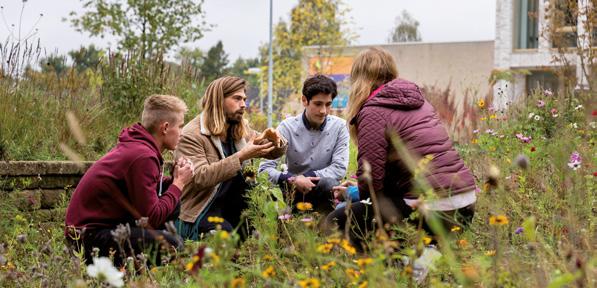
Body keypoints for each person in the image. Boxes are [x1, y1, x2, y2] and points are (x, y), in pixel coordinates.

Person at [325, 47, 477, 246]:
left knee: (335, 221)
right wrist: (355, 191)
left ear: (359, 79)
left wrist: (355, 195)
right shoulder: (421, 103)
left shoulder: (373, 111)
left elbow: (371, 179)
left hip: (434, 207)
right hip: (465, 203)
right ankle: (426, 258)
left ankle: (386, 269)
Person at [65, 94, 194, 266]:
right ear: (165, 128)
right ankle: (131, 274)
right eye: (180, 126)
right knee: (172, 245)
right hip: (87, 238)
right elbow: (152, 218)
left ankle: (137, 270)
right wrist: (179, 183)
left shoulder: (139, 146)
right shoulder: (143, 156)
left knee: (173, 205)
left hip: (104, 227)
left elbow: (146, 191)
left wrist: (174, 179)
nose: (182, 133)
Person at [175, 76, 287, 240]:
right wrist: (241, 157)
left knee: (270, 232)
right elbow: (199, 177)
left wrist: (276, 140)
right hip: (203, 208)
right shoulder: (192, 134)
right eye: (237, 98)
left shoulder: (238, 127)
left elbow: (271, 151)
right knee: (225, 240)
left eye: (244, 99)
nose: (243, 104)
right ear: (218, 100)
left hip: (236, 206)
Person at [259, 75, 349, 212]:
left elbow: (339, 168)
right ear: (304, 100)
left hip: (324, 190)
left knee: (329, 182)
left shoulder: (340, 127)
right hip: (292, 191)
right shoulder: (286, 127)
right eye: (318, 104)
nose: (323, 111)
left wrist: (306, 177)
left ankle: (327, 227)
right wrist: (292, 179)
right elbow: (264, 169)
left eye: (328, 104)